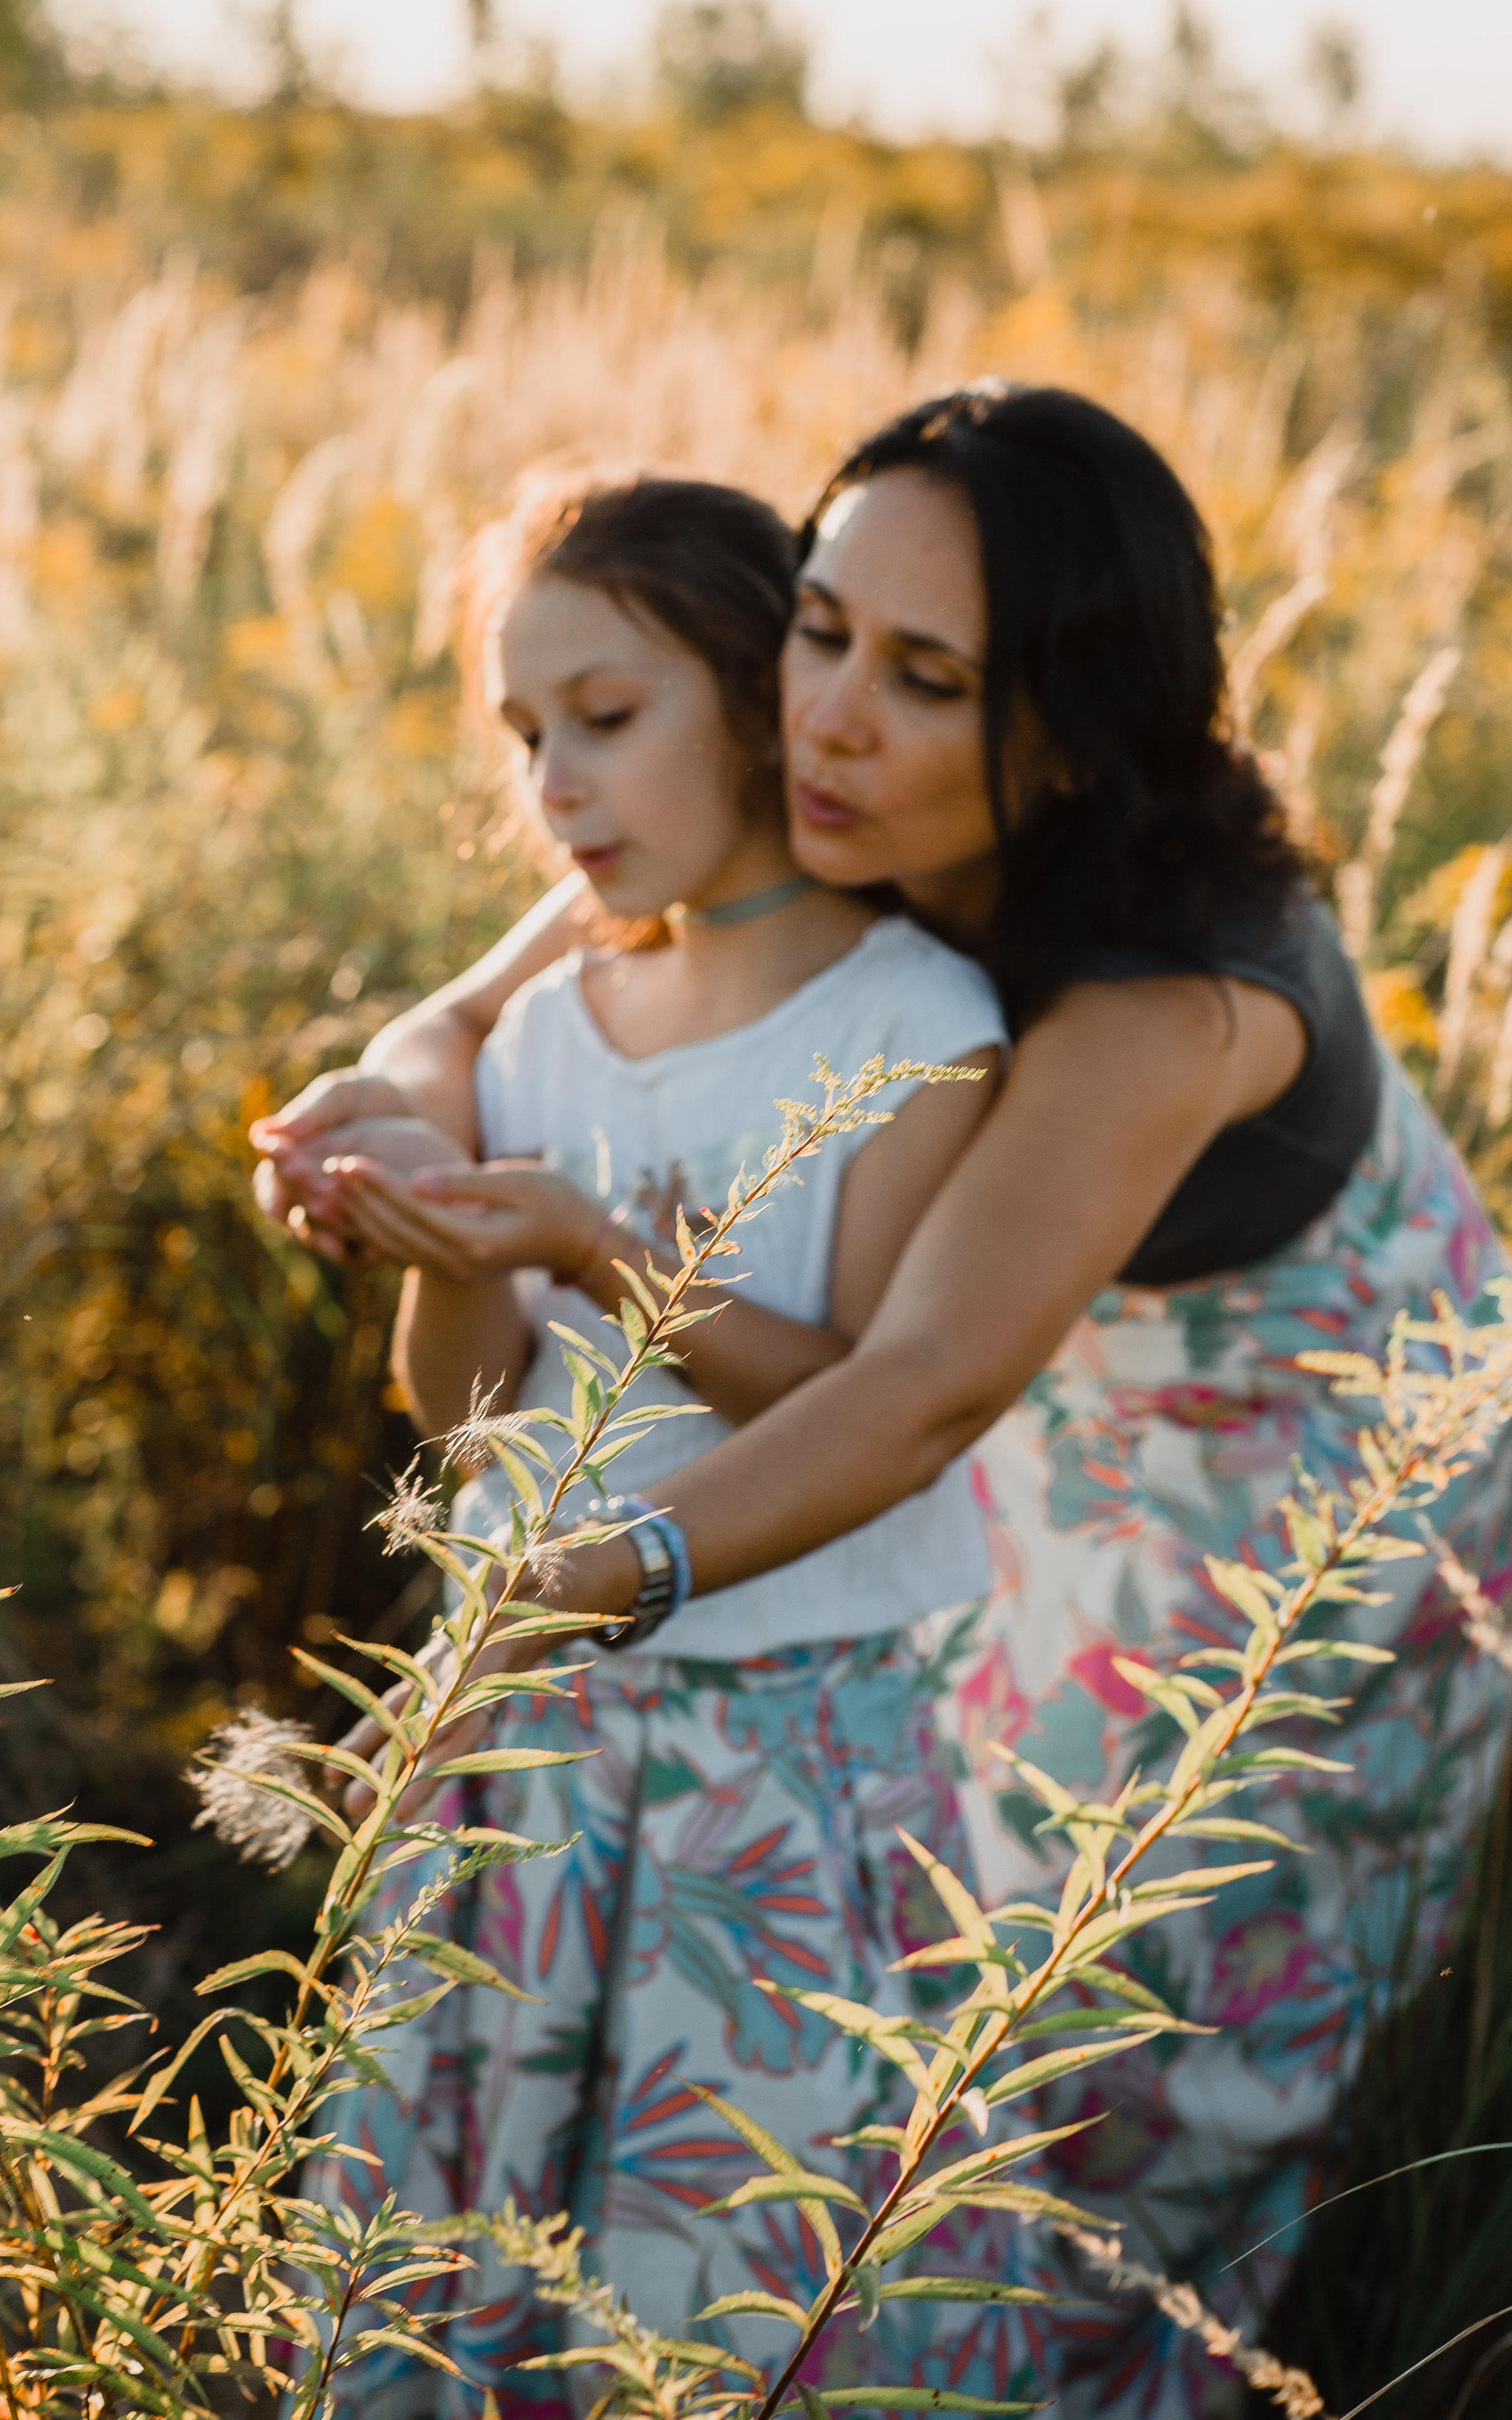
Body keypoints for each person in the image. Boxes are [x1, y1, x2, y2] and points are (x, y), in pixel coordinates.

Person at [260, 388, 1512, 2418]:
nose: (824, 715)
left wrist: (598, 1575)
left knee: (1129, 2043)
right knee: (928, 1959)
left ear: (1070, 734)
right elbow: (490, 1003)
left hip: (1319, 1474)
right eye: (817, 629)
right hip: (1008, 1400)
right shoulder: (837, 806)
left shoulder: (1164, 988)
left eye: (921, 679)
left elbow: (922, 1384)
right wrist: (379, 1124)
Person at [298, 467, 1022, 2413]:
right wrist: (439, 1240)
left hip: (768, 1758)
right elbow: (459, 1415)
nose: (555, 789)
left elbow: (868, 1394)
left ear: (753, 689)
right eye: (527, 739)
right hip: (518, 1747)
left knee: (709, 2266)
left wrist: (601, 1255)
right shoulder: (549, 1028)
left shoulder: (915, 1018)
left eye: (606, 722)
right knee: (460, 2211)